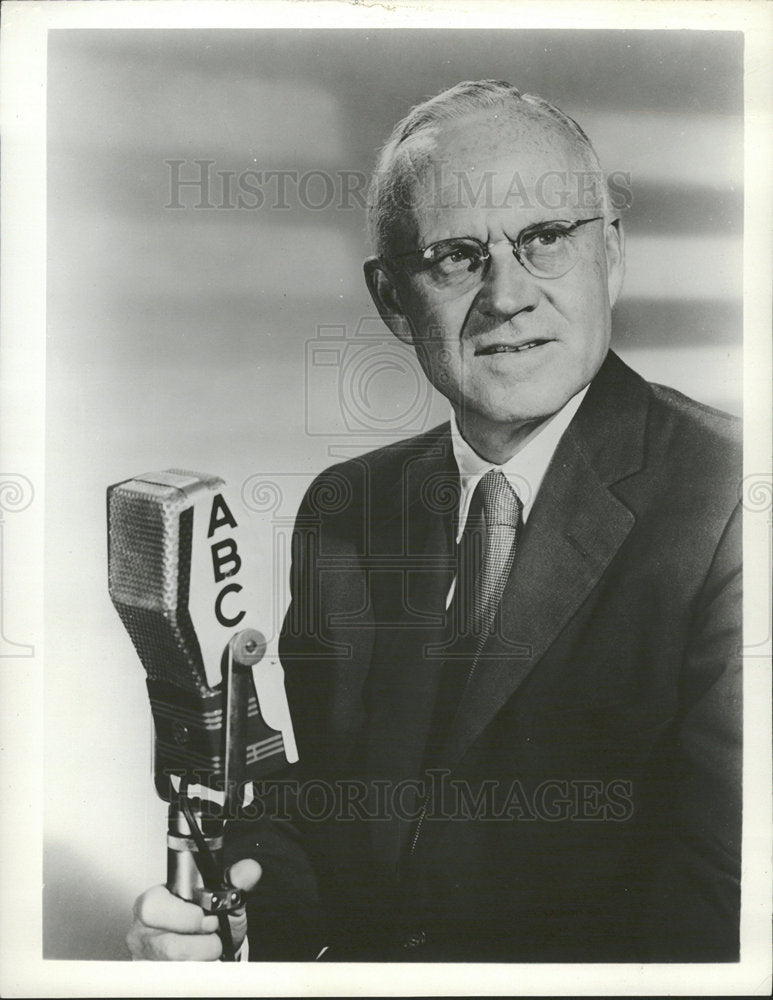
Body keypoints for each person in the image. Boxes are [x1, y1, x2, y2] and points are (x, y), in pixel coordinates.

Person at [127, 80, 741, 963]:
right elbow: (325, 820)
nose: (506, 296)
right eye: (455, 257)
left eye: (544, 240)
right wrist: (234, 923)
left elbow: (725, 899)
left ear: (609, 254)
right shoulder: (350, 508)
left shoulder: (727, 498)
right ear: (390, 300)